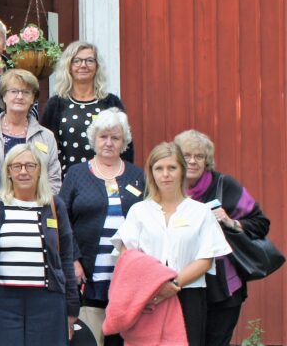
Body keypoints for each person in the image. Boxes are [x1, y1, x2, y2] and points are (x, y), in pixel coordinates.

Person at [111, 142, 232, 346]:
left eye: (172, 168)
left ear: (182, 172)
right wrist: (149, 288)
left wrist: (174, 285)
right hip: (147, 297)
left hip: (189, 296)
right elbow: (127, 255)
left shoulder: (200, 212)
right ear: (151, 173)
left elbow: (205, 259)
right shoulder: (139, 211)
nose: (165, 174)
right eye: (159, 168)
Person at [174, 130, 271, 346]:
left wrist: (230, 222)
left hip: (222, 287)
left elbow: (261, 223)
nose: (192, 161)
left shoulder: (224, 185)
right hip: (181, 284)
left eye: (199, 156)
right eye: (186, 155)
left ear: (207, 161)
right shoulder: (167, 187)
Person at [58, 108, 144, 346]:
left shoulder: (137, 175)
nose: (108, 143)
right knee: (90, 338)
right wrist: (73, 259)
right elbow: (61, 221)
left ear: (124, 142)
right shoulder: (76, 174)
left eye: (115, 138)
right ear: (93, 139)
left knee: (121, 340)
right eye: (103, 137)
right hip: (87, 274)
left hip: (127, 275)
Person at [0, 144, 79, 345]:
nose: (23, 171)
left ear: (40, 170)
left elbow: (66, 258)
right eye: (16, 166)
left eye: (30, 166)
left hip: (48, 301)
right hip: (3, 302)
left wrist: (71, 305)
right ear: (8, 171)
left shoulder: (54, 205)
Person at [39, 41, 132, 174]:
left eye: (89, 60)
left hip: (106, 180)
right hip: (66, 183)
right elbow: (44, 146)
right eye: (77, 61)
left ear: (97, 66)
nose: (83, 65)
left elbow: (126, 146)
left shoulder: (111, 102)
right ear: (68, 66)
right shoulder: (56, 104)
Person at [0, 69, 60, 193]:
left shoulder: (47, 137)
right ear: (3, 96)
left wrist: (41, 207)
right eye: (14, 91)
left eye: (26, 92)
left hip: (36, 209)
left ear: (33, 99)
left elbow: (54, 180)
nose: (20, 97)